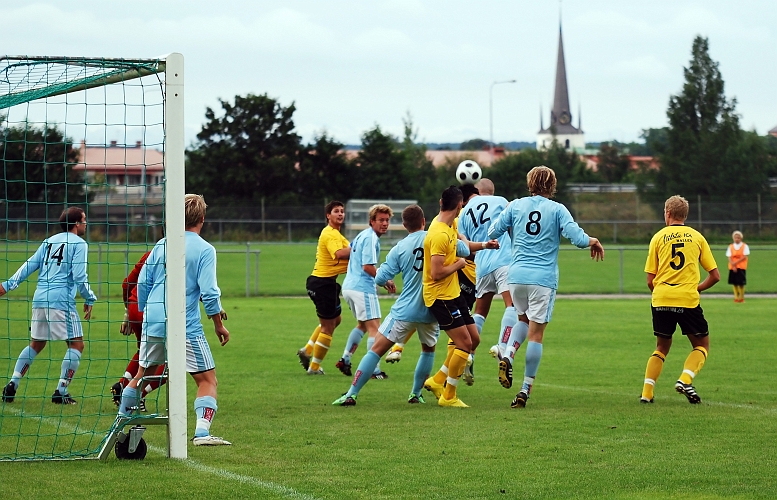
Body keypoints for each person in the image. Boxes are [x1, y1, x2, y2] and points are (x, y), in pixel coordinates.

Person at [332, 205, 480, 406]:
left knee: (376, 350)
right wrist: (463, 238)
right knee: (428, 350)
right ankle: (415, 394)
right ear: (423, 221)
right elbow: (464, 249)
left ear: (404, 225)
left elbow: (381, 277)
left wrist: (388, 277)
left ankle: (352, 393)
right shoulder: (437, 236)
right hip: (431, 308)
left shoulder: (400, 247)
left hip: (405, 310)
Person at [117, 194, 231, 446]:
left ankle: (121, 424)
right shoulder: (205, 249)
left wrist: (147, 315)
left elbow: (143, 284)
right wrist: (218, 324)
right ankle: (202, 433)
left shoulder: (161, 245)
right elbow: (209, 291)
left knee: (141, 375)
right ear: (202, 218)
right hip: (184, 325)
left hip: (153, 320)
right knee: (207, 380)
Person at [489, 166, 604, 408]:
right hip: (543, 279)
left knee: (522, 319)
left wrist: (511, 225)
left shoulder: (516, 205)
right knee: (537, 334)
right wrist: (592, 240)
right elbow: (577, 237)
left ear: (530, 183)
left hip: (516, 275)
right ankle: (524, 390)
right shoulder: (557, 209)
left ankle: (508, 354)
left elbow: (493, 231)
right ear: (552, 185)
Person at [1, 207, 96, 405]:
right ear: (77, 224)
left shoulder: (49, 241)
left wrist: (6, 285)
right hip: (61, 300)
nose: (86, 224)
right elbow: (80, 276)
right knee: (76, 344)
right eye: (84, 220)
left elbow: (29, 265)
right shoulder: (80, 244)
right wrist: (89, 298)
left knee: (37, 343)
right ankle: (61, 391)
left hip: (39, 298)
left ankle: (13, 383)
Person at [423, 186, 499, 408]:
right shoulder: (438, 234)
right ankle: (449, 395)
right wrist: (458, 264)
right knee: (464, 343)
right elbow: (436, 273)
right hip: (440, 297)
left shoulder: (450, 225)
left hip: (453, 293)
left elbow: (463, 246)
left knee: (474, 339)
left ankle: (437, 380)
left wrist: (486, 245)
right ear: (459, 206)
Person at [640, 195, 719, 405]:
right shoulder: (697, 237)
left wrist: (662, 293)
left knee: (661, 347)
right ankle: (685, 379)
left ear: (667, 213)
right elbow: (715, 276)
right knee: (701, 344)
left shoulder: (657, 237)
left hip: (661, 298)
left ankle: (647, 393)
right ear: (685, 215)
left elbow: (650, 280)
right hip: (687, 299)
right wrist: (696, 288)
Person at [457, 178, 527, 365]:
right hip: (503, 259)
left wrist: (477, 255)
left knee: (480, 311)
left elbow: (465, 248)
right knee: (511, 305)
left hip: (481, 264)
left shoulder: (463, 212)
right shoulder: (501, 201)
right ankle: (502, 346)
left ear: (477, 191)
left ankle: (469, 353)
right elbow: (513, 227)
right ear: (491, 191)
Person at [336, 204, 393, 379]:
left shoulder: (362, 235)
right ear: (372, 221)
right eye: (381, 220)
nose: (384, 224)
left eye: (387, 220)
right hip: (362, 288)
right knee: (375, 328)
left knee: (363, 325)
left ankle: (345, 359)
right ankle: (373, 370)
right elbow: (367, 266)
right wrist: (385, 280)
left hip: (349, 287)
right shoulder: (371, 238)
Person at [298, 201, 351, 374]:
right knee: (328, 326)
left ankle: (307, 350)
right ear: (328, 215)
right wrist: (361, 248)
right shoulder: (329, 234)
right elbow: (339, 253)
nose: (340, 214)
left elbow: (348, 249)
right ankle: (313, 367)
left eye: (342, 211)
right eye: (336, 211)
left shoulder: (336, 233)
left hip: (324, 283)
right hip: (323, 284)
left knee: (335, 320)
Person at [110, 251, 167, 411]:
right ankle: (138, 395)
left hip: (136, 306)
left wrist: (128, 312)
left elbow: (127, 283)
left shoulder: (153, 252)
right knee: (169, 362)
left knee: (144, 353)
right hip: (156, 311)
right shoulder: (183, 251)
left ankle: (122, 384)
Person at [726, 230, 749, 303]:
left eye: (738, 237)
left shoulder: (744, 246)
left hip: (741, 267)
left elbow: (744, 256)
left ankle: (741, 297)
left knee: (741, 283)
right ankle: (736, 297)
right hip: (732, 267)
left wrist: (735, 263)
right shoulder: (731, 246)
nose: (737, 239)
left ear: (741, 238)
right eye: (735, 237)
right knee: (734, 283)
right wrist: (733, 265)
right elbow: (729, 256)